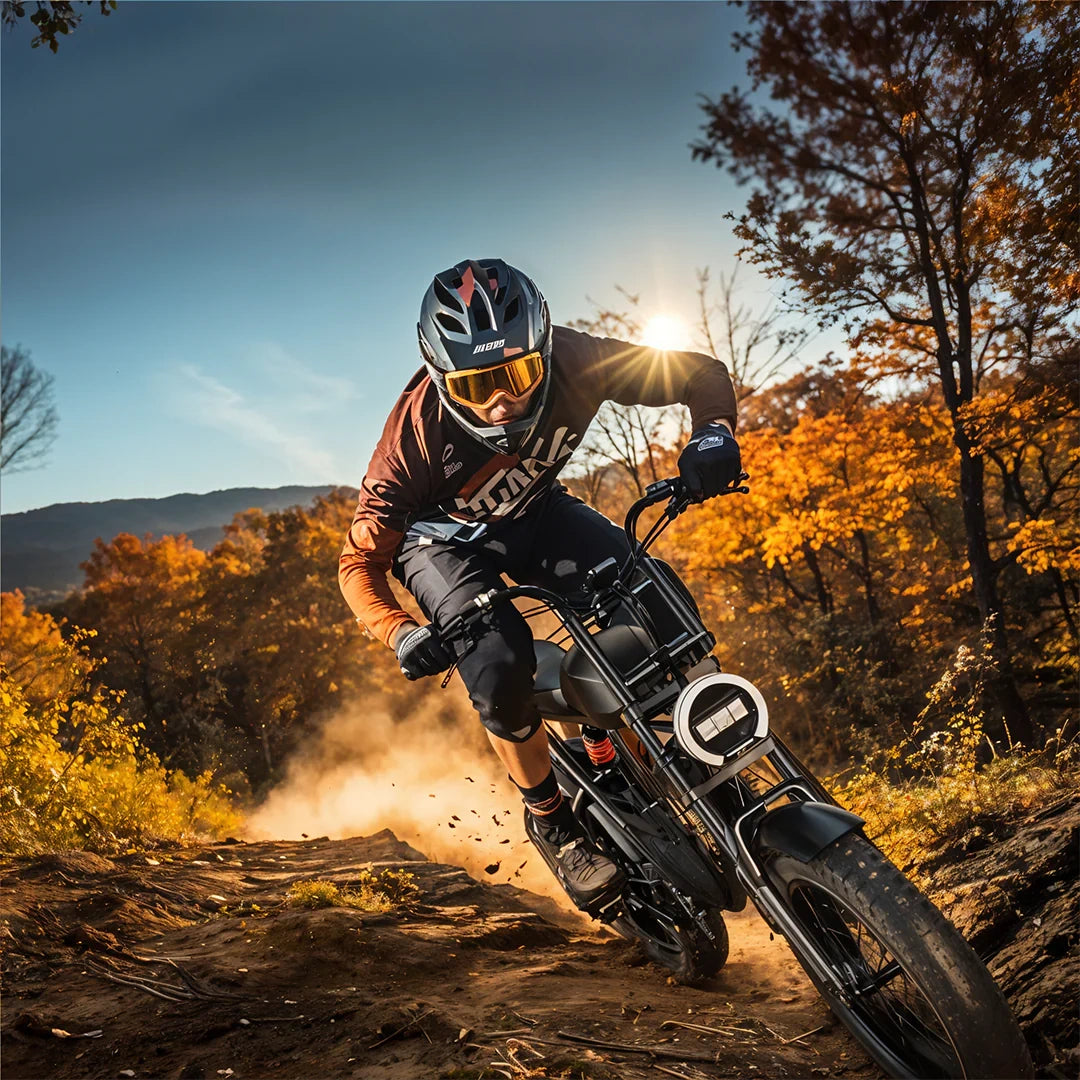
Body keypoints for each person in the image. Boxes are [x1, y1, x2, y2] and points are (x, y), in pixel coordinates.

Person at [339, 258, 740, 904]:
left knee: (653, 594)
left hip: (536, 510)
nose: (501, 401)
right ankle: (552, 821)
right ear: (442, 381)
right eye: (476, 386)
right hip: (443, 546)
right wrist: (399, 632)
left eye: (520, 374)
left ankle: (706, 737)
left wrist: (714, 434)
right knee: (497, 663)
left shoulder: (580, 359)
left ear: (546, 350)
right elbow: (358, 564)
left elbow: (699, 372)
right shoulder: (412, 442)